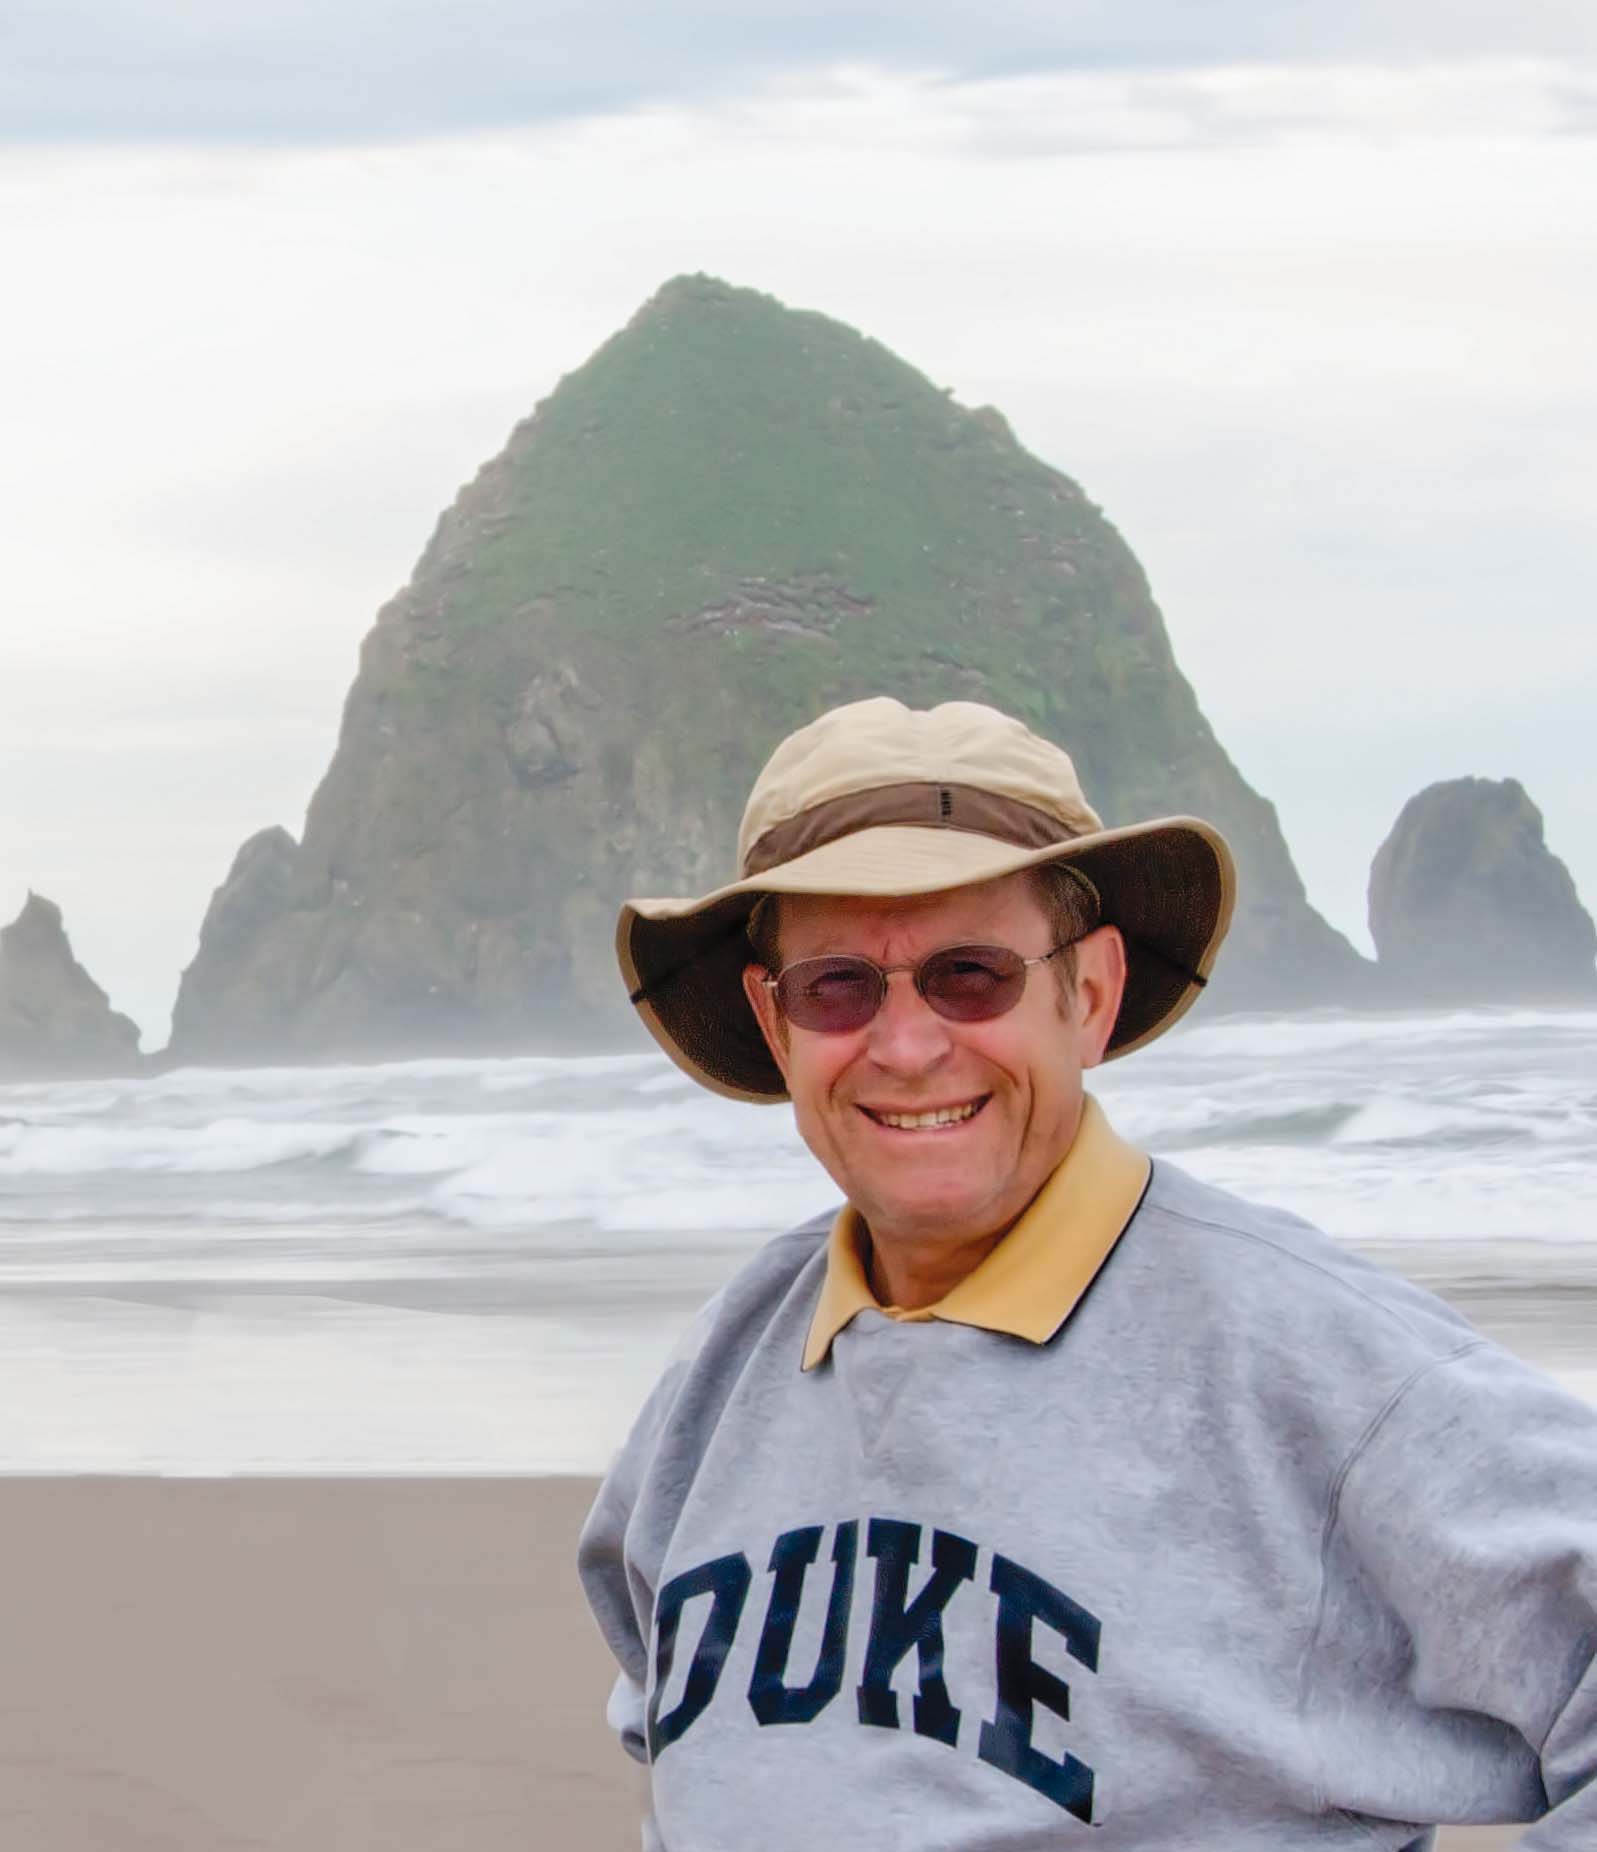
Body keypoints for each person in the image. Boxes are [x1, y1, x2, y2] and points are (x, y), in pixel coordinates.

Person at [578, 696, 1597, 1850]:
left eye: (972, 975)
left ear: (1091, 994)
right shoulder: (720, 1377)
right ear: (777, 1023)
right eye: (839, 986)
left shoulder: (1320, 1371)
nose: (907, 1047)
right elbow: (674, 1749)